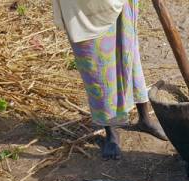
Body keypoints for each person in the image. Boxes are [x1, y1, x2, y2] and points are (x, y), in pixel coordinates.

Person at [53, 0, 167, 160]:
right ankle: (111, 131)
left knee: (128, 52)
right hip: (82, 8)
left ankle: (144, 118)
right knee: (96, 67)